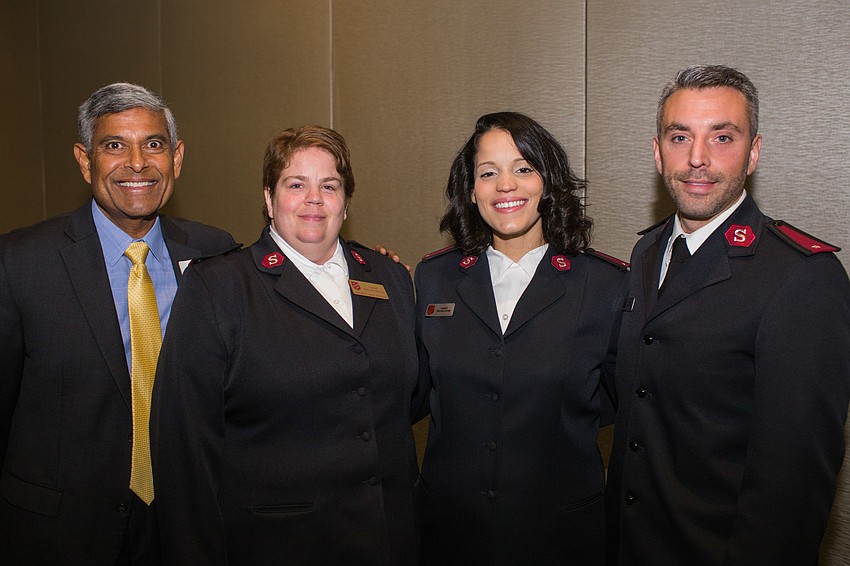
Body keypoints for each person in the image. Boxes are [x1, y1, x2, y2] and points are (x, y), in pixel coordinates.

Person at [605, 65, 850, 565]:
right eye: (680, 137)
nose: (697, 158)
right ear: (657, 151)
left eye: (722, 136)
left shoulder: (800, 277)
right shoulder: (646, 254)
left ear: (753, 151)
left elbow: (794, 488)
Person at [150, 125, 421, 564]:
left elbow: (410, 397)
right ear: (269, 199)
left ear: (346, 201)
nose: (314, 198)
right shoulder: (220, 287)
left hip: (390, 538)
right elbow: (184, 447)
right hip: (279, 543)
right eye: (296, 184)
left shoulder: (387, 277)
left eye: (329, 185)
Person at [0, 83, 235, 564]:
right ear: (85, 161)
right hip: (61, 532)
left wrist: (358, 268)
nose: (137, 163)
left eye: (153, 144)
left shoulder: (217, 252)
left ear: (177, 157)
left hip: (187, 524)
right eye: (114, 146)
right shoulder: (19, 262)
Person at [414, 112, 628, 565]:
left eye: (523, 168)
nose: (505, 185)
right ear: (471, 192)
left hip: (560, 534)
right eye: (488, 173)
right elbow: (413, 389)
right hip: (451, 532)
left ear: (548, 183)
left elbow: (617, 401)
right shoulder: (433, 278)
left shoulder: (605, 285)